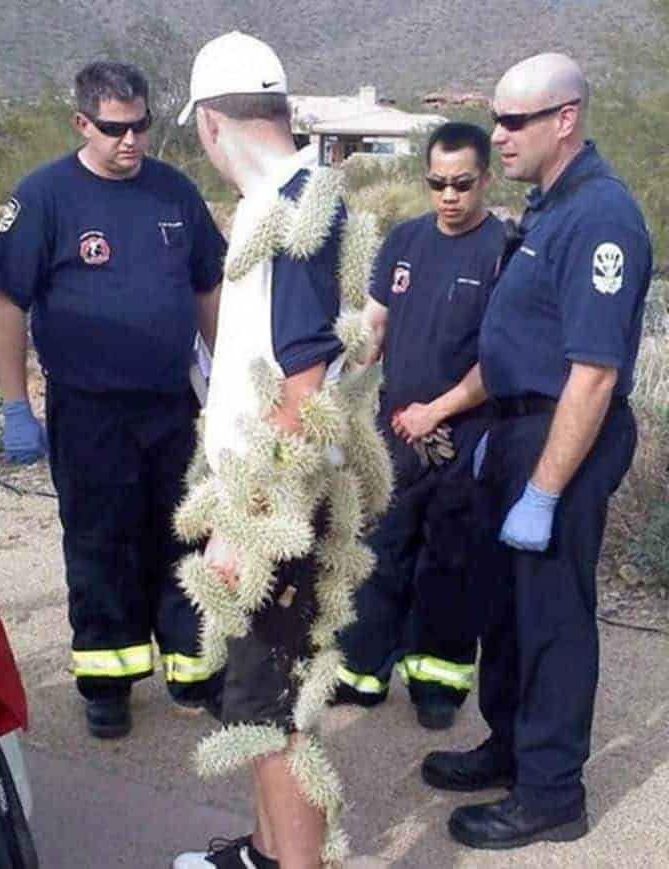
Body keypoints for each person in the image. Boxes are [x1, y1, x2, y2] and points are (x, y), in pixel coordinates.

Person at [171, 31, 391, 869]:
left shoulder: (295, 214)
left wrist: (249, 526)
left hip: (277, 508)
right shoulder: (298, 201)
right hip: (275, 495)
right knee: (257, 698)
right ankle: (266, 855)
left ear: (211, 124)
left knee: (276, 710)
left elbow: (300, 392)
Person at [422, 53, 651, 849]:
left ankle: (551, 790)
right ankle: (512, 746)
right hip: (517, 429)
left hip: (565, 433)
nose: (499, 135)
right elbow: (517, 344)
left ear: (566, 119)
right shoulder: (549, 209)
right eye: (496, 118)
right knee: (507, 606)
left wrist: (546, 491)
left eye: (515, 120)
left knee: (551, 615)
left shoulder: (601, 217)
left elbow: (594, 373)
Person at [0, 61, 227, 739]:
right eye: (115, 128)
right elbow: (7, 300)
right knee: (101, 542)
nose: (131, 140)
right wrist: (14, 404)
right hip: (89, 409)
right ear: (81, 123)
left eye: (140, 124)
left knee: (184, 534)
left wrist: (227, 380)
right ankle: (108, 682)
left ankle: (193, 669)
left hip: (171, 403)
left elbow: (209, 286)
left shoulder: (173, 191)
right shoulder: (46, 196)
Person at [334, 122, 504, 730]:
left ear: (485, 180)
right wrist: (349, 387)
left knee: (449, 560)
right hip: (393, 431)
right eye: (438, 183)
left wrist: (438, 411)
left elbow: (500, 359)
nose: (449, 196)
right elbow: (375, 325)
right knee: (381, 548)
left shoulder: (503, 251)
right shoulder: (404, 240)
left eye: (462, 183)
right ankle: (362, 672)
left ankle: (436, 683)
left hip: (463, 433)